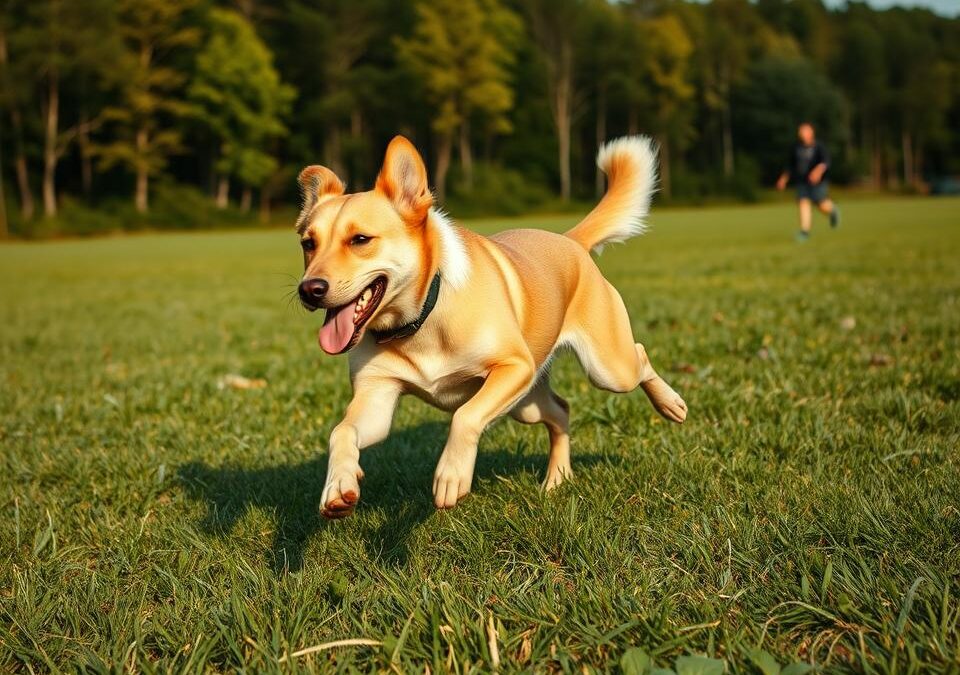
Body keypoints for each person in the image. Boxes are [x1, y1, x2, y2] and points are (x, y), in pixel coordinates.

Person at [776, 122, 840, 241]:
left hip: (818, 181)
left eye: (805, 131)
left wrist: (817, 172)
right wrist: (783, 179)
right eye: (801, 131)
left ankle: (833, 211)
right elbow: (790, 166)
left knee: (820, 203)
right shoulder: (796, 147)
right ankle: (804, 232)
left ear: (811, 132)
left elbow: (826, 162)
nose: (802, 134)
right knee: (803, 202)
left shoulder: (819, 146)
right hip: (802, 181)